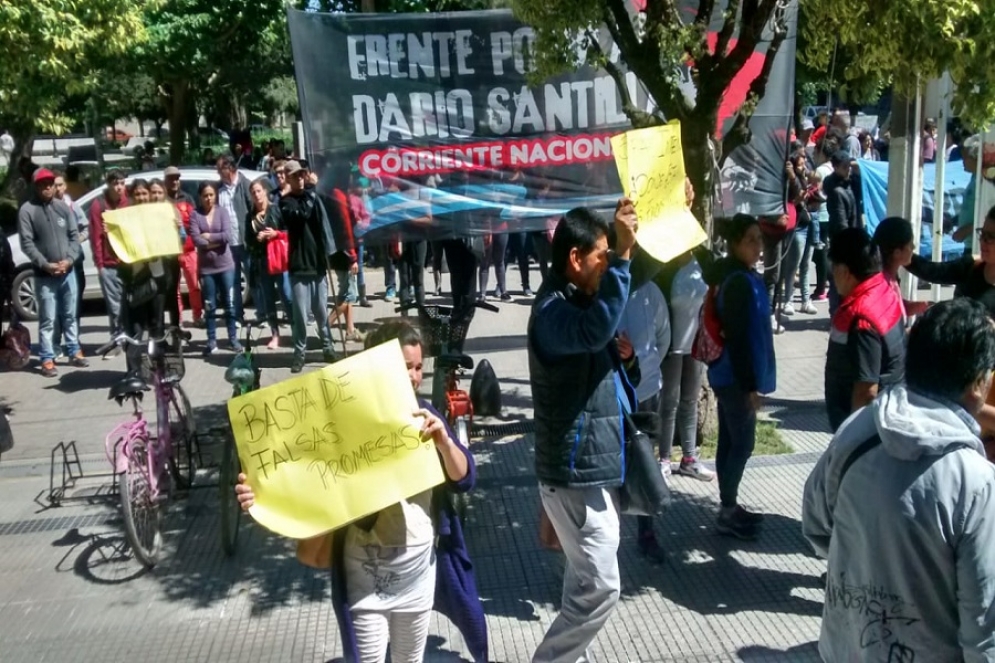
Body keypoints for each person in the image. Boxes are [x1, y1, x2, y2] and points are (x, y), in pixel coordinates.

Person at [234, 320, 487, 663]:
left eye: (417, 368)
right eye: (405, 367)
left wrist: (444, 443)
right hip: (363, 580)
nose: (414, 377)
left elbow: (465, 477)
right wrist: (258, 496)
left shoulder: (425, 416)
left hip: (418, 578)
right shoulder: (339, 424)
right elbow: (293, 476)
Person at [802, 298, 995, 662]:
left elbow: (815, 525)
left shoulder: (856, 431)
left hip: (844, 649)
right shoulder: (976, 483)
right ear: (976, 384)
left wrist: (868, 561)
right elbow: (984, 629)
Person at [528, 199, 639, 663]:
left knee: (583, 584)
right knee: (603, 588)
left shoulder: (578, 297)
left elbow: (602, 337)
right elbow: (594, 333)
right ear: (575, 260)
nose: (609, 265)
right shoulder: (552, 312)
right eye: (602, 257)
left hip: (591, 467)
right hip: (573, 473)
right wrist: (626, 260)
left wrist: (626, 359)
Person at [705, 214, 776, 540]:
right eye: (750, 240)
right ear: (735, 244)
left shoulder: (741, 275)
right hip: (735, 378)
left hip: (731, 376)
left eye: (759, 239)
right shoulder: (736, 283)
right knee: (743, 443)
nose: (758, 246)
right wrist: (750, 388)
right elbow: (739, 339)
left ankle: (728, 506)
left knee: (731, 442)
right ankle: (727, 511)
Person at [824, 228, 905, 433]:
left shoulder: (862, 318)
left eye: (833, 269)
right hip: (890, 412)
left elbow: (866, 391)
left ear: (844, 270)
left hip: (867, 428)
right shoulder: (883, 290)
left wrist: (851, 440)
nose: (832, 276)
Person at [618, 276, 670, 563]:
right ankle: (609, 533)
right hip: (614, 394)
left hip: (647, 390)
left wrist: (645, 366)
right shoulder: (604, 289)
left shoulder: (650, 291)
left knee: (645, 461)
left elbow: (663, 337)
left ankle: (646, 530)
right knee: (616, 460)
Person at [17, 168, 88, 377]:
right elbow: (26, 243)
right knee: (48, 318)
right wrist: (45, 264)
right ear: (36, 186)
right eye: (43, 184)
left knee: (70, 315)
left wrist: (69, 260)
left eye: (50, 183)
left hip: (68, 272)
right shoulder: (27, 210)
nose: (47, 187)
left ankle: (75, 351)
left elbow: (75, 236)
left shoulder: (63, 208)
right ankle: (47, 358)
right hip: (44, 275)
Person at [653, 247, 715, 481]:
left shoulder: (703, 260)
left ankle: (689, 458)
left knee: (690, 400)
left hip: (695, 345)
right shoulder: (663, 267)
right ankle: (664, 458)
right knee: (669, 402)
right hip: (671, 347)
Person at [276, 160, 337, 373]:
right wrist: (312, 189)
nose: (300, 178)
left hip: (318, 263)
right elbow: (301, 215)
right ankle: (299, 353)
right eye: (295, 176)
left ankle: (328, 347)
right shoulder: (286, 202)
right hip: (299, 266)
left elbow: (324, 221)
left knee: (321, 311)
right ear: (289, 179)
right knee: (301, 315)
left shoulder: (315, 197)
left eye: (302, 175)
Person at [189, 181, 241, 356]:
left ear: (215, 196)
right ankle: (211, 341)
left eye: (211, 195)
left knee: (229, 304)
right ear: (200, 197)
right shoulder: (195, 215)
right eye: (205, 195)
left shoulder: (222, 212)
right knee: (210, 306)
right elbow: (196, 239)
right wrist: (213, 243)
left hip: (226, 266)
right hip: (207, 270)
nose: (208, 198)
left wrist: (209, 238)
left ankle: (233, 338)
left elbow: (227, 236)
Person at [244, 179, 292, 349]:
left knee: (287, 296)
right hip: (262, 262)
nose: (256, 195)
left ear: (265, 192)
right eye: (253, 192)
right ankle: (275, 334)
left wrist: (276, 234)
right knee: (269, 300)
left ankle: (296, 331)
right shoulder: (249, 216)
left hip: (279, 261)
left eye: (259, 191)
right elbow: (247, 241)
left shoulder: (276, 209)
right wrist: (256, 240)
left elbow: (288, 232)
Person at [88, 169, 130, 353]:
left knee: (128, 303)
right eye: (115, 183)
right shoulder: (99, 205)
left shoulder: (129, 202)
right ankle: (117, 338)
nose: (119, 187)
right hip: (109, 263)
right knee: (114, 306)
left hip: (128, 262)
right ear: (109, 184)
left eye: (122, 183)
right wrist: (100, 265)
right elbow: (95, 236)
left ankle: (128, 336)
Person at [164, 167, 203, 327]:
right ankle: (177, 318)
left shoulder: (187, 198)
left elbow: (194, 222)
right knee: (174, 288)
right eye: (171, 179)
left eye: (177, 178)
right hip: (170, 251)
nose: (175, 181)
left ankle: (197, 316)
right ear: (165, 180)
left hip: (188, 249)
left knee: (194, 286)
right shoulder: (161, 200)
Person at [871, 216, 930, 323]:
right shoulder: (881, 285)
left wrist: (916, 306)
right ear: (897, 252)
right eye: (910, 243)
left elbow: (896, 306)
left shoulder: (890, 276)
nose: (914, 247)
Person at [216, 155, 253, 323]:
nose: (217, 172)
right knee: (234, 281)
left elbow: (254, 209)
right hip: (228, 244)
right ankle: (238, 315)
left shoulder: (245, 185)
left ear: (229, 168)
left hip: (246, 241)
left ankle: (264, 315)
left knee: (254, 278)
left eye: (220, 168)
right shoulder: (219, 190)